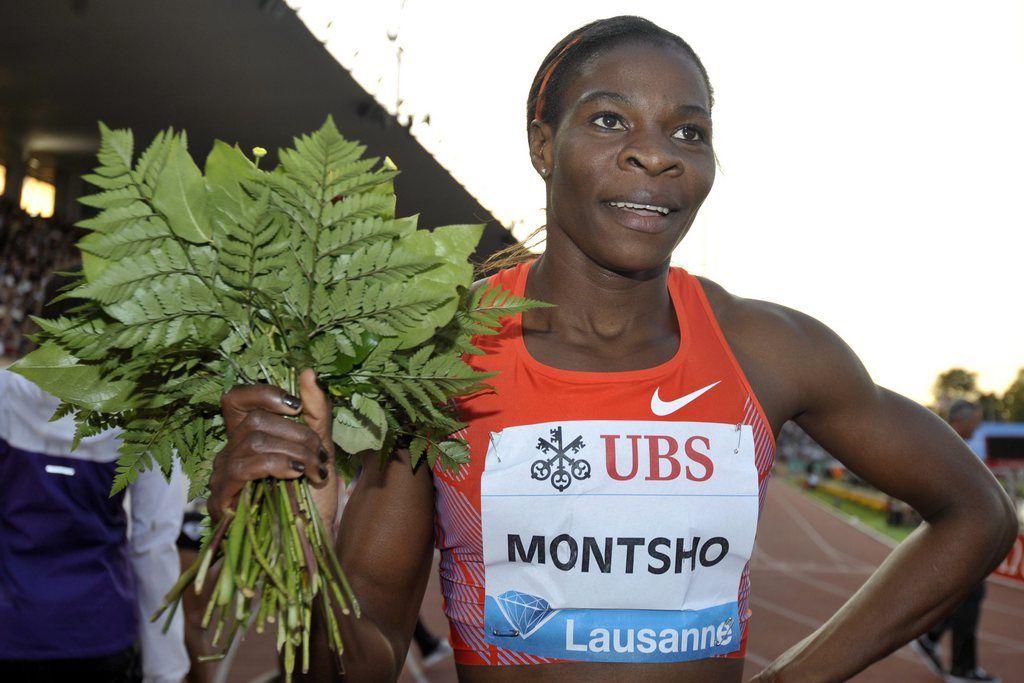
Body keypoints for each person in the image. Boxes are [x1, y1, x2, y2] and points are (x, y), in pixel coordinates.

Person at [206, 16, 1018, 682]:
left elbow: (977, 512)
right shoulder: (438, 359)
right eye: (608, 120)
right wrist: (305, 558)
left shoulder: (770, 350)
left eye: (688, 131)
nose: (654, 152)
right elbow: (364, 660)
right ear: (541, 145)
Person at [0, 276, 189, 683]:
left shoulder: (4, 395)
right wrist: (166, 670)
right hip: (97, 631)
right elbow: (153, 546)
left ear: (41, 330)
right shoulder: (146, 418)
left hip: (12, 628)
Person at [912, 400, 999, 682]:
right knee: (970, 593)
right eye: (977, 418)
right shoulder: (948, 445)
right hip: (956, 530)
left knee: (965, 592)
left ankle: (932, 637)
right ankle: (962, 668)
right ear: (962, 418)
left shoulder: (950, 443)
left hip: (956, 529)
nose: (980, 425)